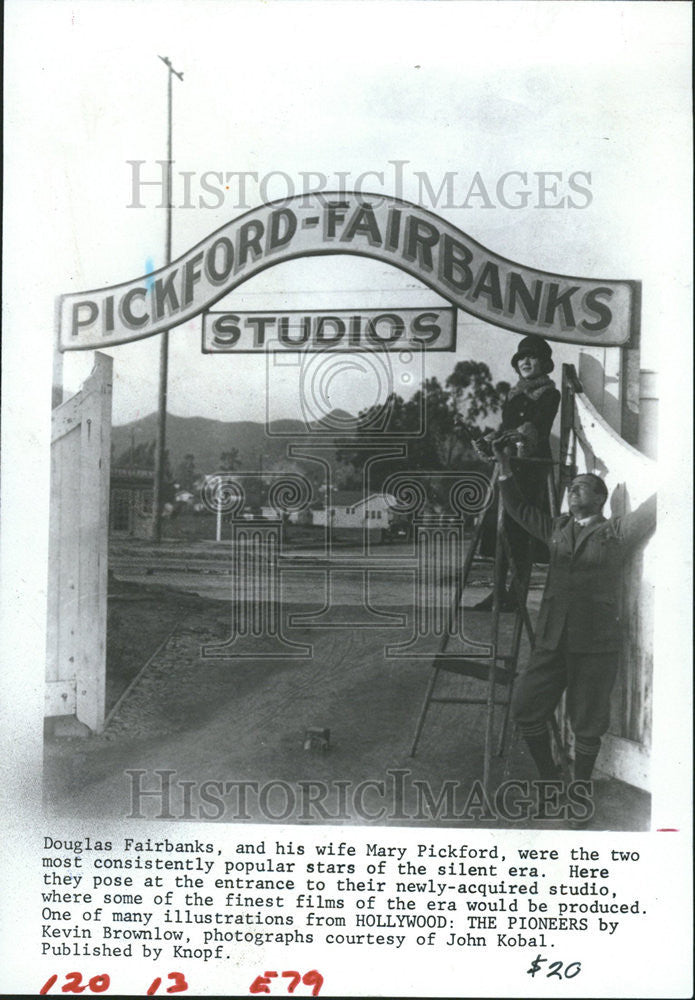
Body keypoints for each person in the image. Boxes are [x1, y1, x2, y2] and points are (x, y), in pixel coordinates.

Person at [492, 438, 657, 801]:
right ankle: (551, 781)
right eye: (571, 487)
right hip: (552, 641)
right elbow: (517, 507)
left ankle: (580, 792)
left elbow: (654, 507)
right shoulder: (557, 528)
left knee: (587, 725)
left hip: (595, 645)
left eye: (580, 487)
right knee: (525, 710)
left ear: (600, 498)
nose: (572, 490)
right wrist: (504, 466)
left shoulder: (616, 532)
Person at [474, 335, 561, 610]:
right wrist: (491, 439)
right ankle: (498, 593)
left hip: (533, 468)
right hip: (510, 464)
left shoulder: (550, 393)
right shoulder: (513, 394)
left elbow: (536, 429)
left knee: (524, 528)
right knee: (500, 528)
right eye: (521, 357)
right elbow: (506, 426)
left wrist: (509, 438)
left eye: (532, 356)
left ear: (545, 363)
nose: (525, 361)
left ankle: (517, 595)